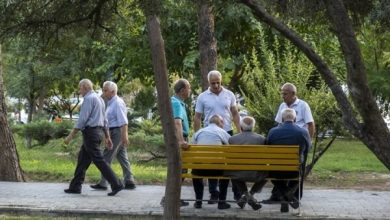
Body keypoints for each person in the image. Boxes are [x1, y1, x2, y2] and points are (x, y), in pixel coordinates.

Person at [64, 79, 123, 196]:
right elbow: (105, 120)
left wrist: (70, 136)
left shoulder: (89, 99)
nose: (79, 91)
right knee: (82, 160)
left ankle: (116, 184)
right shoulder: (100, 99)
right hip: (97, 132)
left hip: (90, 133)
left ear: (85, 87)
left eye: (80, 88)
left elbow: (82, 120)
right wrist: (107, 136)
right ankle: (75, 186)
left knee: (99, 160)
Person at [193, 70, 242, 202]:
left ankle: (235, 192)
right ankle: (214, 192)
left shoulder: (229, 94)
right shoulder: (203, 96)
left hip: (227, 131)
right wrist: (197, 134)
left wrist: (240, 132)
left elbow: (235, 113)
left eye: (218, 83)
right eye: (213, 83)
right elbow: (197, 117)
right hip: (209, 132)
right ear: (208, 82)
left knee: (230, 163)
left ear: (221, 81)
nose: (215, 86)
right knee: (212, 161)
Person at [267, 82, 315, 202]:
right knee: (282, 169)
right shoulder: (282, 105)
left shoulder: (303, 105)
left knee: (296, 170)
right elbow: (279, 123)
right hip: (284, 144)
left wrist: (309, 141)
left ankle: (294, 196)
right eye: (282, 93)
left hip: (298, 143)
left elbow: (310, 124)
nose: (283, 96)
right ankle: (281, 195)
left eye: (285, 93)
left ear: (293, 94)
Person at [90, 81, 136, 191]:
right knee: (122, 157)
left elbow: (123, 122)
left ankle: (104, 182)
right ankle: (129, 180)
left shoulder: (118, 103)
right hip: (114, 132)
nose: (103, 92)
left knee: (106, 157)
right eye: (103, 90)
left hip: (117, 133)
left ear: (113, 91)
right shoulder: (111, 102)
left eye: (105, 90)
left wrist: (124, 136)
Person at [266, 108, 311, 212]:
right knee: (299, 172)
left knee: (274, 177)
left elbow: (267, 148)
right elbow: (308, 148)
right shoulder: (303, 132)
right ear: (295, 118)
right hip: (294, 170)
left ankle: (284, 196)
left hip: (275, 171)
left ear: (282, 118)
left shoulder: (273, 131)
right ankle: (288, 195)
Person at [160, 78, 191, 207]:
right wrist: (181, 141)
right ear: (183, 90)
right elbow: (177, 123)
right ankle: (169, 198)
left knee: (180, 170)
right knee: (179, 170)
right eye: (189, 88)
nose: (190, 91)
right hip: (179, 139)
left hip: (179, 138)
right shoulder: (176, 103)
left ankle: (172, 197)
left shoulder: (178, 102)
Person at [191, 114, 231, 210]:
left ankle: (198, 202)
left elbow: (192, 146)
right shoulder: (222, 132)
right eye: (223, 122)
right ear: (220, 123)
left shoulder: (199, 132)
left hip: (199, 170)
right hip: (217, 170)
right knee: (226, 174)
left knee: (196, 172)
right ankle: (221, 202)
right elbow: (230, 145)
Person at [226, 116, 266, 210]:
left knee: (233, 172)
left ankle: (246, 197)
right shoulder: (262, 139)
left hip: (238, 173)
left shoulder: (232, 139)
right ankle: (250, 195)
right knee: (267, 174)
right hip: (256, 174)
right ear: (253, 126)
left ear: (241, 126)